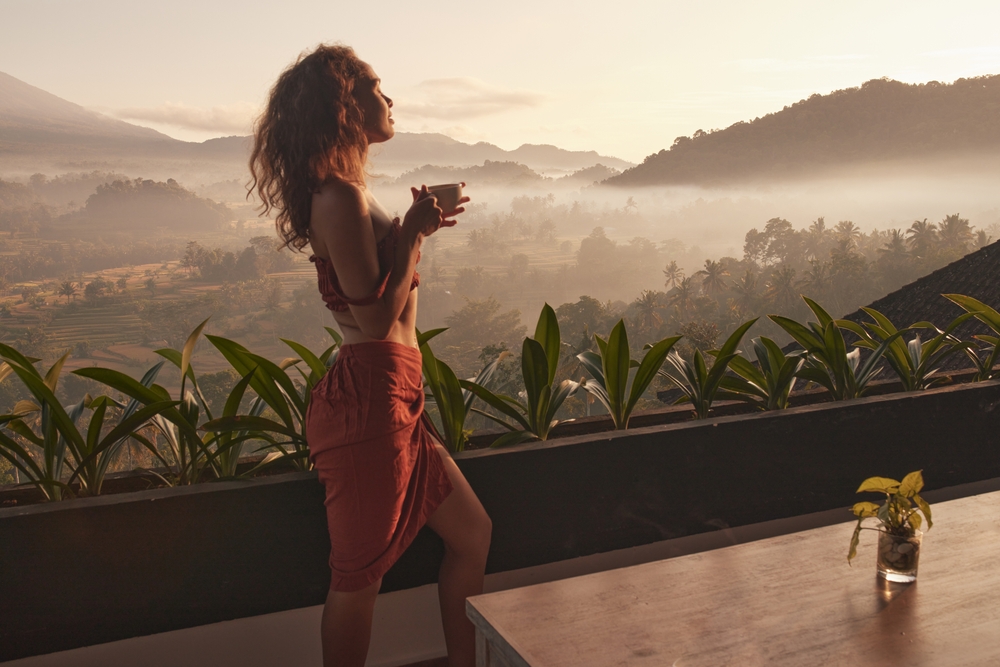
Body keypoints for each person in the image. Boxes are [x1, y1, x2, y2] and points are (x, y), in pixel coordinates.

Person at [249, 44, 492, 667]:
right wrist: (410, 231)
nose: (390, 99)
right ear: (344, 104)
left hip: (396, 397)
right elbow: (377, 320)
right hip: (369, 405)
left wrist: (417, 229)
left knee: (472, 536)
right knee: (357, 580)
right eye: (376, 87)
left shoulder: (351, 193)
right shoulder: (340, 199)